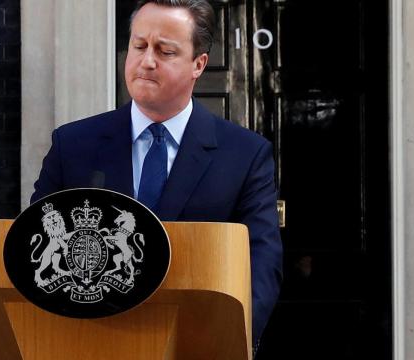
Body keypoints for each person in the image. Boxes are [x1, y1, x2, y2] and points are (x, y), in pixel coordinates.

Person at [31, 0, 282, 348]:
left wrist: (229, 342)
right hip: (91, 343)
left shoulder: (245, 155)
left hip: (199, 346)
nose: (146, 61)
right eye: (139, 46)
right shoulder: (72, 145)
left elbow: (261, 265)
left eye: (165, 51)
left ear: (199, 64)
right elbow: (39, 244)